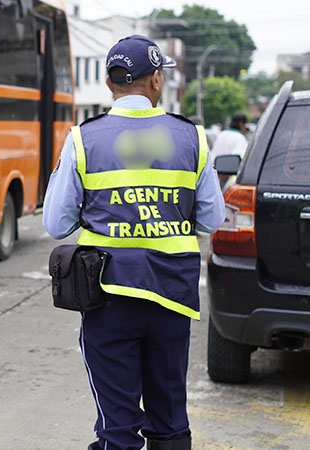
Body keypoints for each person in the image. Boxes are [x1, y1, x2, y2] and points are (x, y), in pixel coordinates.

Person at [43, 35, 225, 450]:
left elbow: (56, 223)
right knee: (170, 422)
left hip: (109, 296)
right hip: (172, 297)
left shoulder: (82, 140)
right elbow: (213, 221)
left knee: (117, 427)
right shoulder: (192, 138)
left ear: (110, 84)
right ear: (156, 80)